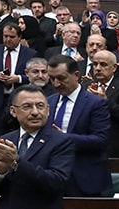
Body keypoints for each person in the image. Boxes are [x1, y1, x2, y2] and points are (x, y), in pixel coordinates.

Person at [46, 55, 111, 197]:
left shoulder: (95, 103)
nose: (56, 84)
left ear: (76, 75)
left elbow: (101, 140)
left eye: (61, 78)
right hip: (51, 176)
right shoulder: (48, 102)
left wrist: (63, 138)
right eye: (52, 79)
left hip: (84, 176)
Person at [86, 50, 119, 159]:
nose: (97, 68)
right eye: (95, 64)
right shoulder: (85, 87)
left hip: (115, 147)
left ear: (114, 68)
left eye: (103, 64)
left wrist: (106, 101)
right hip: (89, 146)